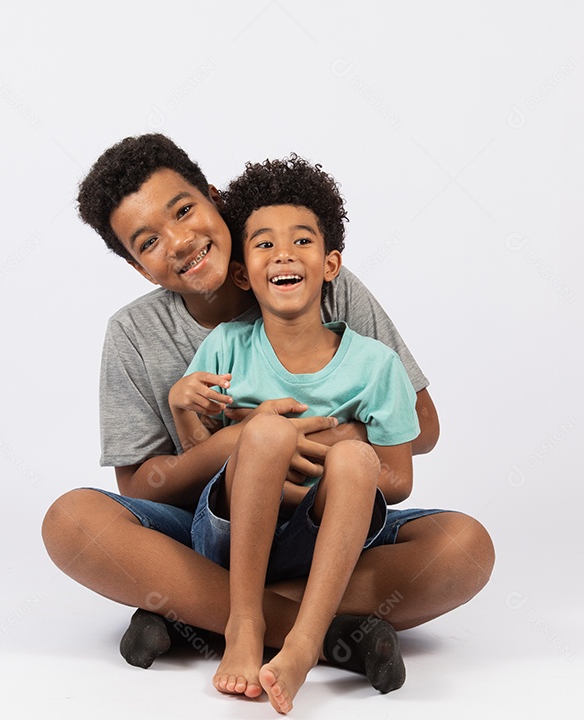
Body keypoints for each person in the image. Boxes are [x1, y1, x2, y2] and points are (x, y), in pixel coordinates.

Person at [40, 133, 494, 691]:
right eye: (148, 242)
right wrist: (235, 445)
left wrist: (331, 440)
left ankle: (195, 616)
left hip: (330, 515)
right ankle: (323, 635)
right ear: (139, 267)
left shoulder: (321, 280)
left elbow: (421, 427)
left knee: (464, 550)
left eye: (185, 211)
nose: (179, 242)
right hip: (211, 526)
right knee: (71, 521)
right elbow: (140, 487)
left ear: (215, 198)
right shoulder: (134, 334)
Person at [171, 154, 421, 713]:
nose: (283, 254)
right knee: (262, 436)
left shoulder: (377, 366)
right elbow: (200, 467)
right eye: (263, 244)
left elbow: (398, 480)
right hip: (232, 535)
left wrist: (331, 450)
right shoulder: (226, 348)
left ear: (331, 263)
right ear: (243, 274)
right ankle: (242, 622)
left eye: (302, 242)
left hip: (326, 539)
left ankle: (303, 644)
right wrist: (182, 405)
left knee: (357, 462)